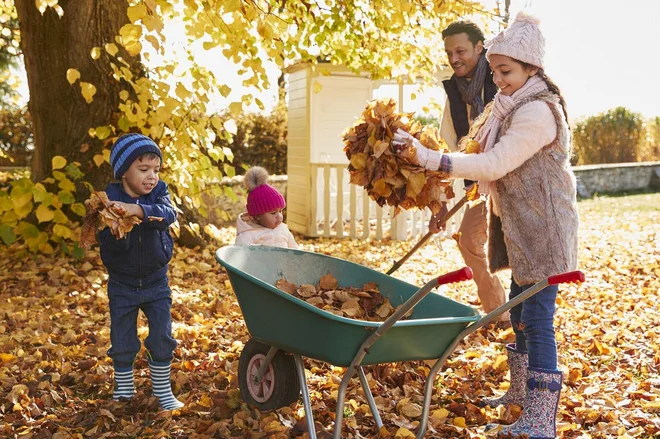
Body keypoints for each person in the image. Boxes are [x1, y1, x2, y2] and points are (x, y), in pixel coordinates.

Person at [395, 12, 579, 438]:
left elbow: (494, 163)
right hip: (518, 228)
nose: (497, 80)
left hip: (543, 230)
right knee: (518, 310)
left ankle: (540, 417)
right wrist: (430, 163)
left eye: (506, 71)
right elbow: (473, 151)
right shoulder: (508, 105)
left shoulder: (537, 113)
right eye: (495, 71)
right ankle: (520, 393)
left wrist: (431, 160)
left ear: (532, 69)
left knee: (537, 319)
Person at [100, 133, 184, 411]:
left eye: (156, 170)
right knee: (122, 338)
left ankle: (162, 391)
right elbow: (107, 248)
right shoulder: (109, 199)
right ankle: (124, 389)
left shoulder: (160, 194)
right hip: (122, 283)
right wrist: (115, 229)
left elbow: (168, 215)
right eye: (143, 169)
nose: (152, 176)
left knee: (162, 336)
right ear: (124, 172)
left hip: (156, 281)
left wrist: (137, 210)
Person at [434, 20, 507, 321]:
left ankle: (528, 317)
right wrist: (439, 202)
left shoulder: (503, 78)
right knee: (468, 240)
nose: (454, 59)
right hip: (478, 185)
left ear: (480, 47)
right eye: (449, 52)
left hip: (510, 178)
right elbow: (446, 150)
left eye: (461, 50)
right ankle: (499, 312)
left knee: (515, 247)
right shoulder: (454, 94)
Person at [235, 166, 299, 249]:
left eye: (280, 211)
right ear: (257, 216)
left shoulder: (283, 229)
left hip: (283, 262)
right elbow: (240, 256)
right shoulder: (248, 234)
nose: (279, 216)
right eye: (273, 213)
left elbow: (295, 251)